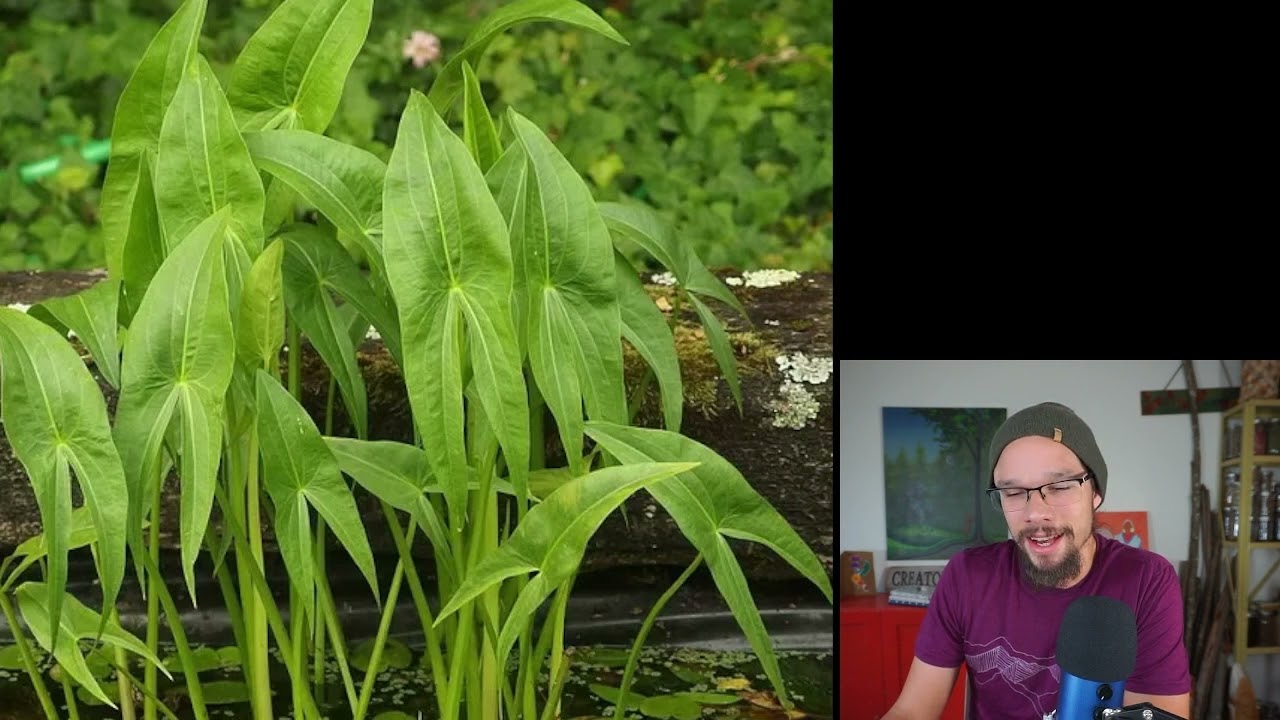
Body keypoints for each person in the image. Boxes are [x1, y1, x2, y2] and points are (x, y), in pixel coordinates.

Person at [883, 401, 1192, 720]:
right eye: (1013, 492)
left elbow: (1152, 713)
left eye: (1059, 487)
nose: (1035, 513)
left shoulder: (1146, 579)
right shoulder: (967, 576)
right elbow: (911, 710)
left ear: (1096, 492)